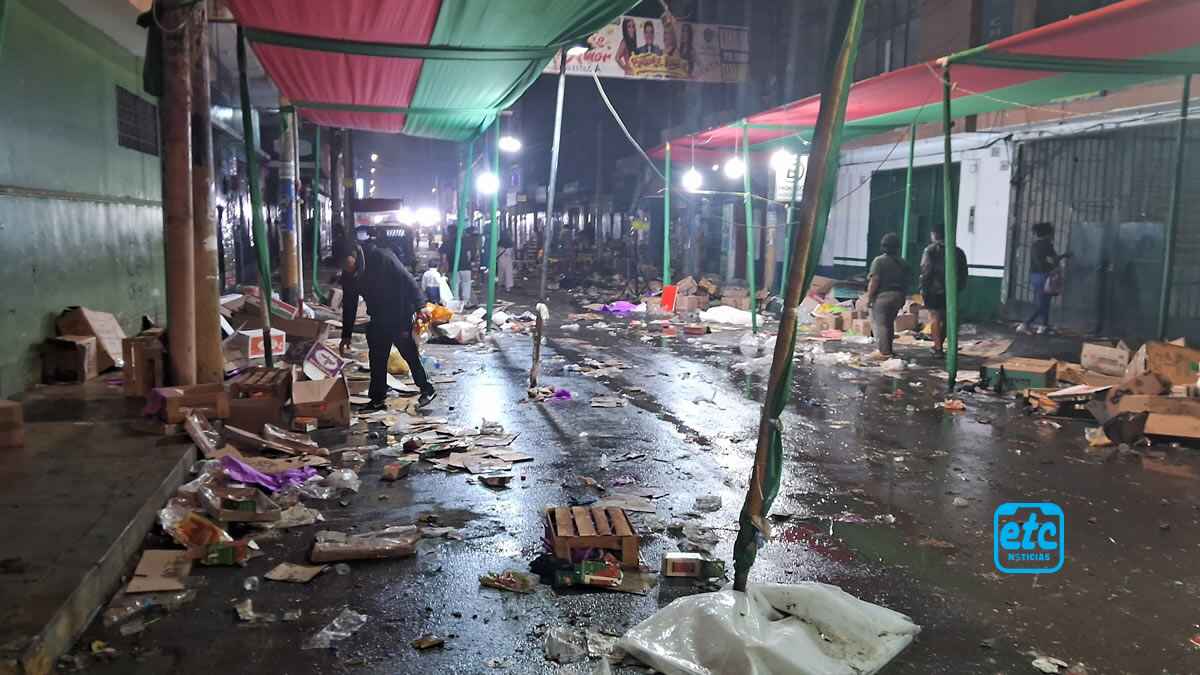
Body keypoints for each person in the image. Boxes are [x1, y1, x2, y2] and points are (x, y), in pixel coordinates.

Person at [337, 240, 435, 411]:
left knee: (409, 353)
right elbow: (349, 304)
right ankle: (377, 399)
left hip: (399, 313)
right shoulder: (349, 275)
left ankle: (427, 389)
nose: (346, 269)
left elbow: (408, 280)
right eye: (342, 266)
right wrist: (346, 334)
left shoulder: (381, 257)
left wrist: (421, 306)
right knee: (377, 358)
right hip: (378, 316)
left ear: (354, 255)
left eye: (347, 263)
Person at [920, 226, 968, 357]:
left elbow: (926, 270)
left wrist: (923, 288)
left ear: (934, 235)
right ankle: (940, 344)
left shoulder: (930, 250)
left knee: (934, 317)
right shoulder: (958, 252)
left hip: (933, 290)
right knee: (948, 319)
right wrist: (958, 288)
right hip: (951, 290)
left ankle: (937, 348)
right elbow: (964, 273)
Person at [866, 233, 909, 359]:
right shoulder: (903, 263)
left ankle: (884, 352)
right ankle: (889, 350)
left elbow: (874, 281)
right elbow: (906, 282)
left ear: (883, 246)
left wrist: (869, 297)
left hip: (883, 296)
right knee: (889, 324)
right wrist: (903, 298)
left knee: (881, 324)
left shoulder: (879, 261)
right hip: (898, 295)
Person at [1019, 221, 1068, 334]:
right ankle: (1025, 324)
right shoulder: (1047, 245)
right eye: (1052, 233)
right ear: (1048, 233)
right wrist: (1064, 256)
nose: (1053, 235)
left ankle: (1044, 326)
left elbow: (1039, 261)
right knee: (1043, 304)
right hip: (1045, 276)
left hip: (1034, 276)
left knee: (1045, 302)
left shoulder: (1035, 245)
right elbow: (1054, 260)